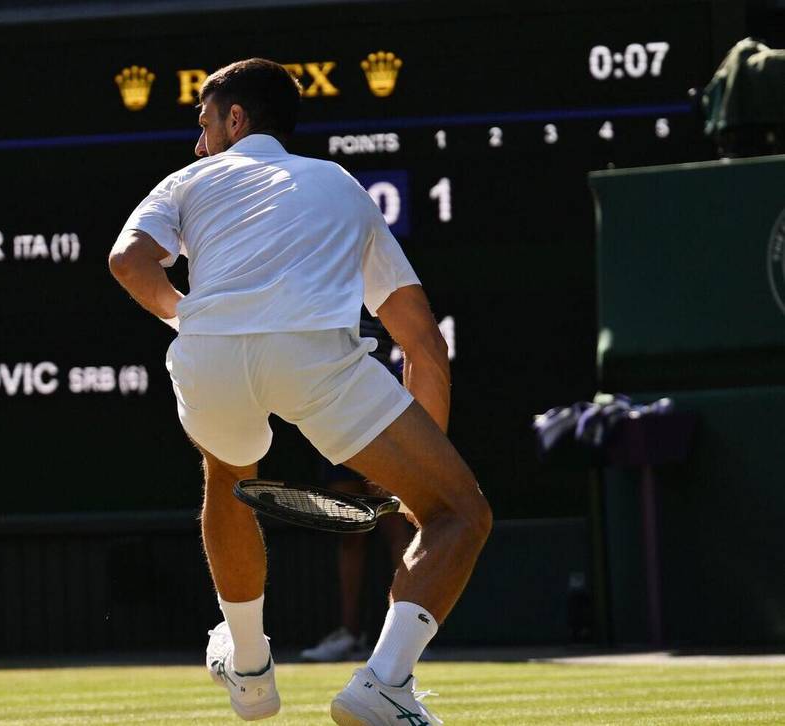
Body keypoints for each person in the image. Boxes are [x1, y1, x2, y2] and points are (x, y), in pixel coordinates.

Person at [108, 58, 491, 725]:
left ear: (235, 119)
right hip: (315, 358)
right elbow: (423, 343)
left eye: (204, 123)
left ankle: (250, 671)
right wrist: (415, 485)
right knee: (460, 514)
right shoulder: (340, 184)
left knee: (227, 475)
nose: (198, 143)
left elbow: (127, 261)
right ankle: (384, 683)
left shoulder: (185, 181)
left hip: (210, 354)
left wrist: (188, 318)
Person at [301, 315, 416, 664]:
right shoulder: (319, 291)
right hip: (333, 410)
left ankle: (406, 636)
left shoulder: (379, 290)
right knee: (350, 532)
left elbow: (408, 342)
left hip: (379, 408)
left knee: (396, 526)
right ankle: (350, 634)